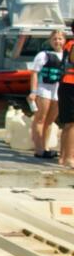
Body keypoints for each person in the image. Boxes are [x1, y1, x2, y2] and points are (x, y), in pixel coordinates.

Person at [28, 29, 65, 158]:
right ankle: (38, 149)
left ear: (64, 40)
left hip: (58, 90)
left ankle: (46, 146)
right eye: (54, 39)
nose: (57, 41)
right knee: (40, 119)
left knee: (50, 121)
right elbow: (34, 73)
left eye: (60, 39)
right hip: (44, 89)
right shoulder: (43, 55)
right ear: (50, 41)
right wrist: (33, 91)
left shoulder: (66, 55)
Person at [59, 33, 74, 168]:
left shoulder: (69, 44)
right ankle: (69, 158)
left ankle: (63, 157)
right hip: (70, 85)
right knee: (71, 124)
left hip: (66, 85)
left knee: (68, 125)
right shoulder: (72, 45)